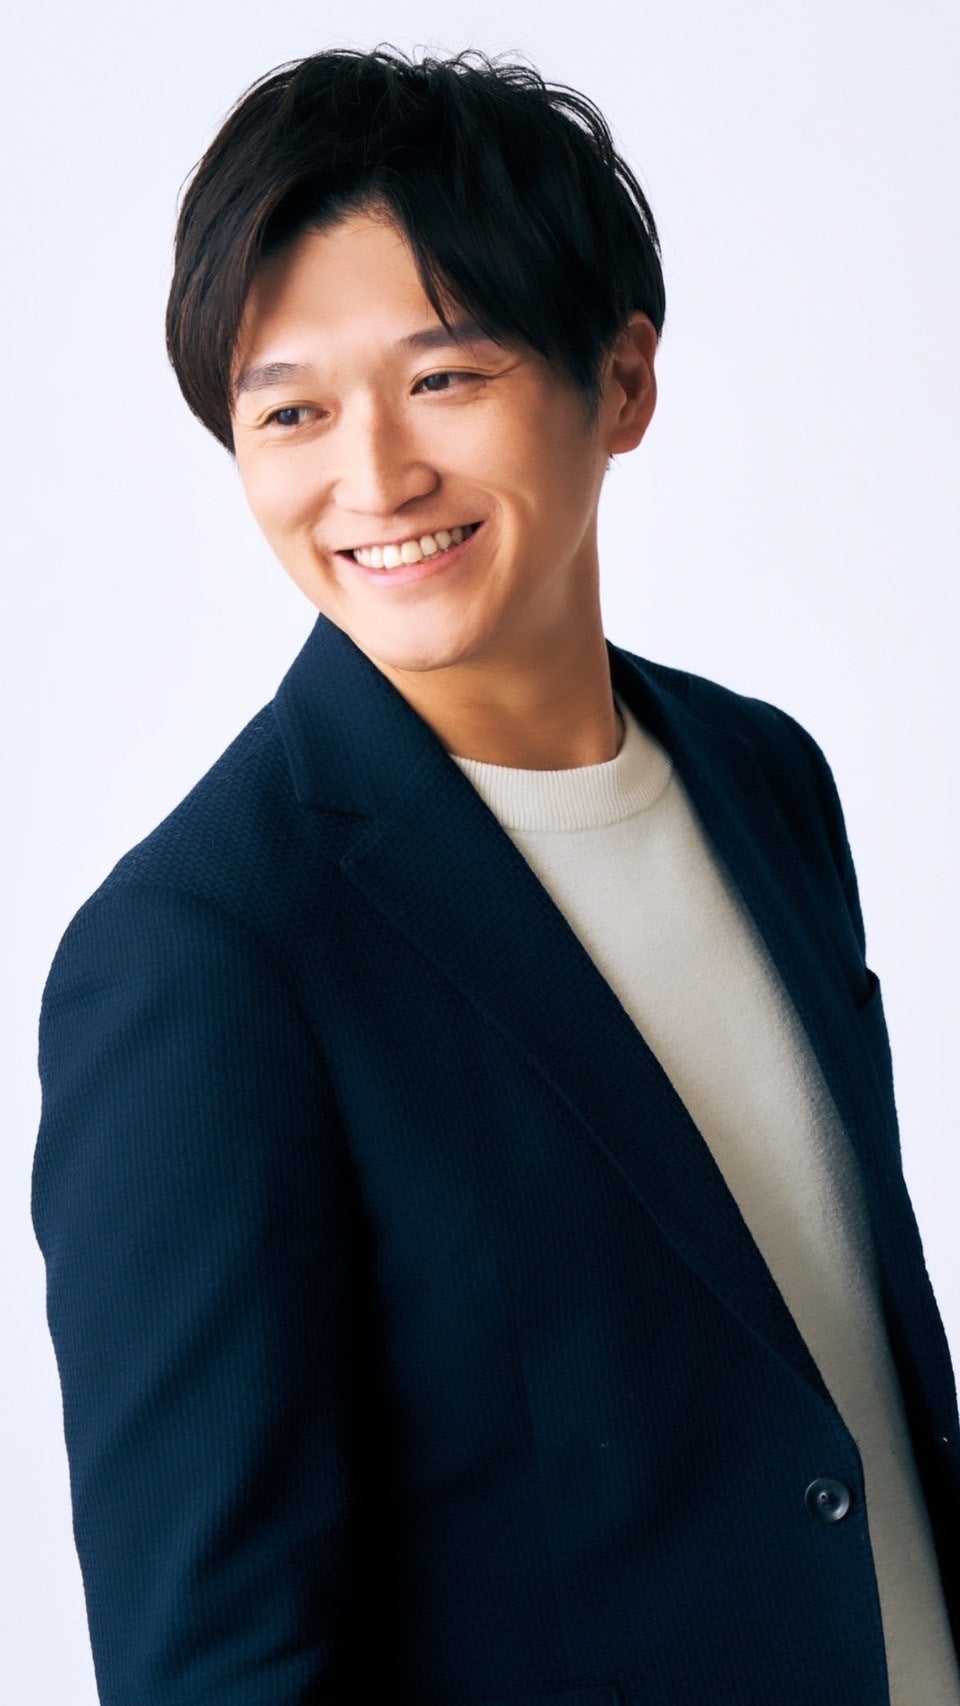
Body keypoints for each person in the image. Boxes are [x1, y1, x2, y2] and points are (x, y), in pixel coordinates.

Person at [31, 44, 959, 1706]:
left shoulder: (764, 782)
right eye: (292, 411)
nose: (374, 477)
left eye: (445, 378)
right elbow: (217, 1665)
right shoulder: (204, 956)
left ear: (623, 381)